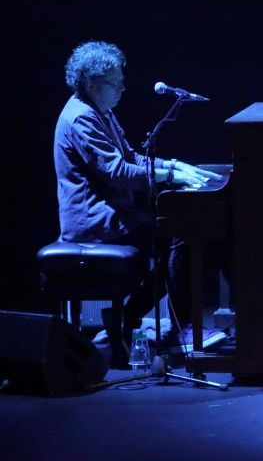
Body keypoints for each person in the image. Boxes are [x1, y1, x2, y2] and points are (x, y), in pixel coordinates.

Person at [54, 40, 218, 366]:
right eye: (115, 83)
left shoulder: (101, 113)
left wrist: (175, 166)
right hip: (93, 221)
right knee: (178, 236)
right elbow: (117, 171)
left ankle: (128, 319)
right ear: (91, 83)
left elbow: (129, 157)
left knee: (178, 235)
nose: (122, 89)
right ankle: (178, 327)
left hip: (115, 215)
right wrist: (169, 173)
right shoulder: (81, 118)